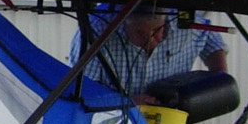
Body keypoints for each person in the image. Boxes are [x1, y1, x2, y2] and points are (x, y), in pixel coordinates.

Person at [81, 8, 227, 99]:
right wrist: (126, 103)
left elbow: (211, 38)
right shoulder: (96, 31)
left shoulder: (186, 25)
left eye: (156, 31)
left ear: (165, 21)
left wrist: (220, 79)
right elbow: (82, 88)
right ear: (125, 23)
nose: (150, 39)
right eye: (140, 33)